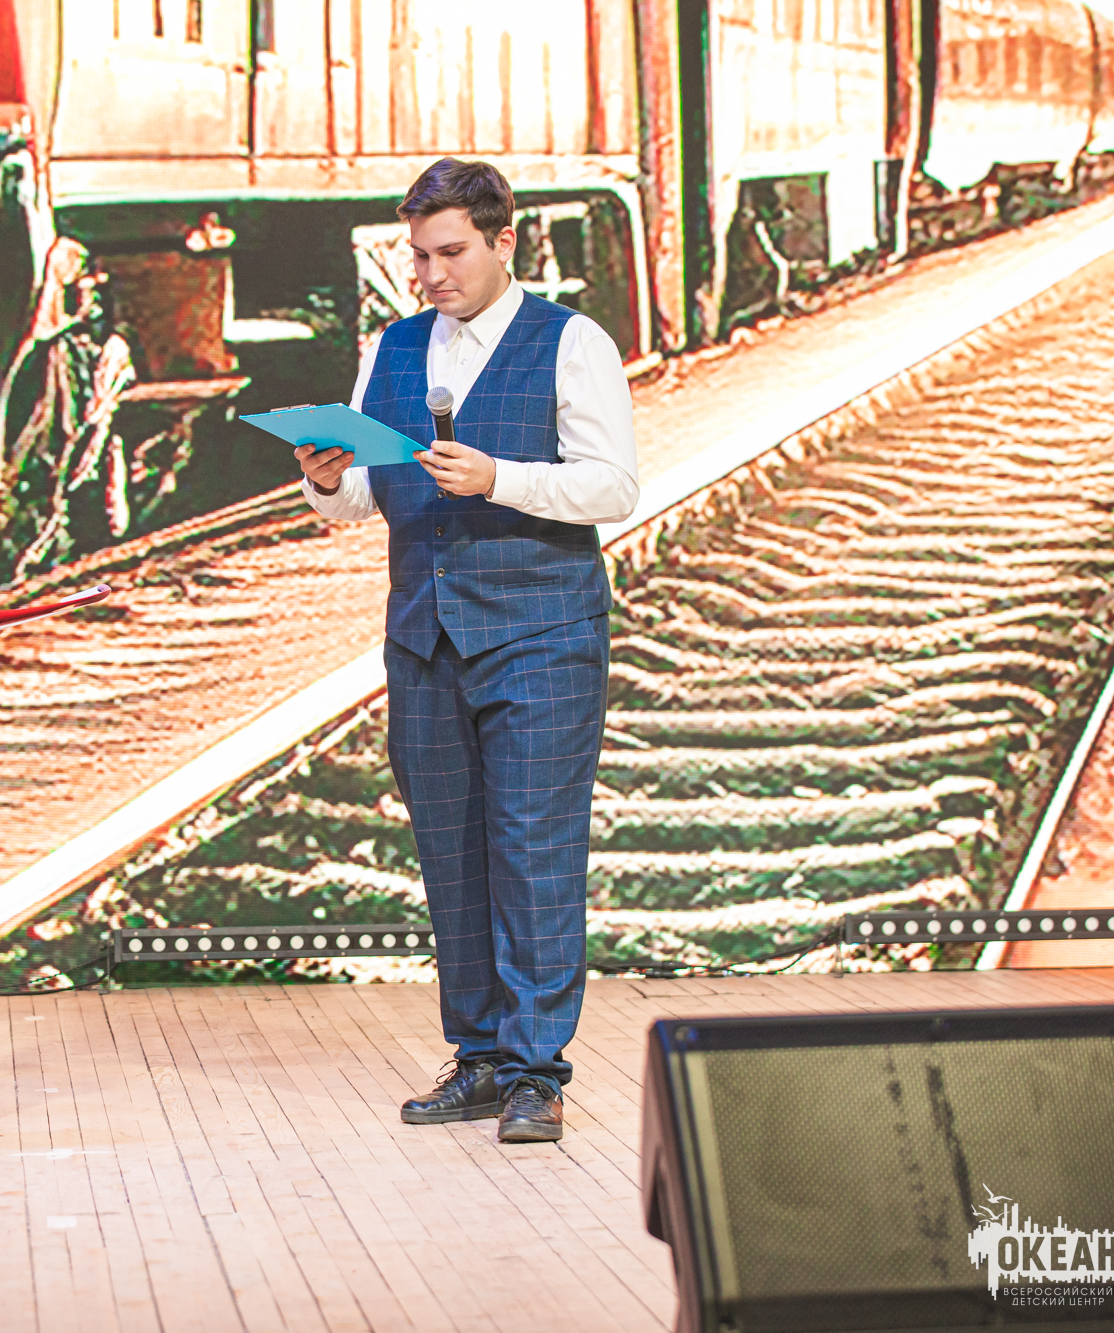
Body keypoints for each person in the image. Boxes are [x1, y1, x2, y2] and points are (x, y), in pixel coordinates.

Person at [295, 159, 639, 1143]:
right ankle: (479, 1057)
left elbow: (613, 487)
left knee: (533, 851)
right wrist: (325, 479)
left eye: (450, 252)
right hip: (424, 639)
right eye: (418, 255)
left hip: (541, 635)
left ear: (503, 242)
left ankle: (535, 1070)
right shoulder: (394, 347)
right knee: (450, 853)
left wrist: (500, 478)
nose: (430, 274)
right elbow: (363, 499)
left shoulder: (571, 342)